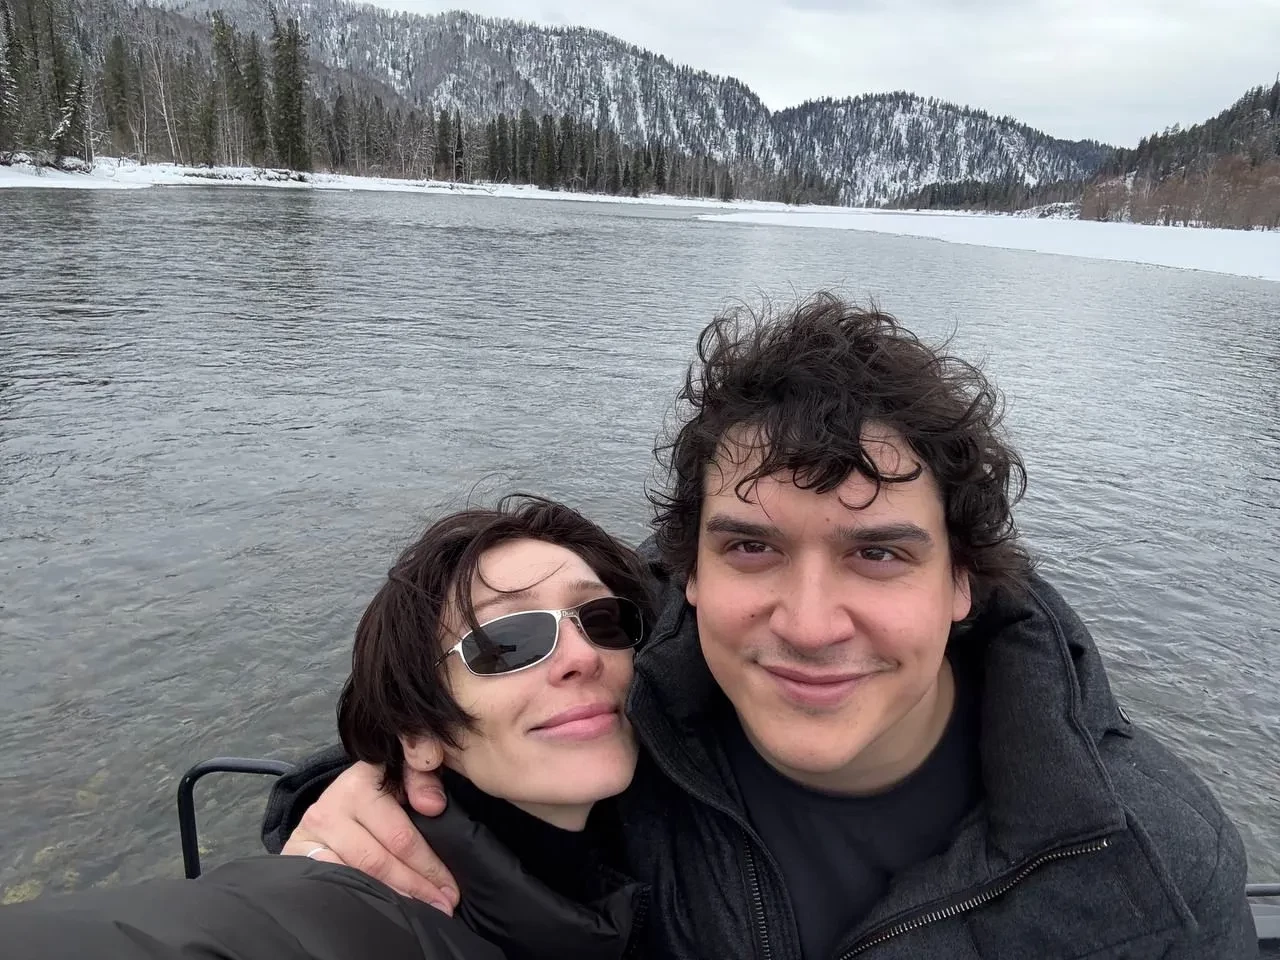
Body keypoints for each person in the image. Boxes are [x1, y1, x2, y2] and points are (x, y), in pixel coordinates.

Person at [267, 293, 1258, 959]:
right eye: (750, 547)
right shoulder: (623, 709)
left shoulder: (1151, 865)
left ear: (964, 581)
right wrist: (352, 798)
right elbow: (442, 733)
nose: (810, 624)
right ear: (688, 575)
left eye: (878, 554)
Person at [2, 496, 653, 960]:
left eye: (602, 621)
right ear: (418, 735)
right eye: (506, 642)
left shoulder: (653, 821)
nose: (583, 656)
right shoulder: (364, 908)